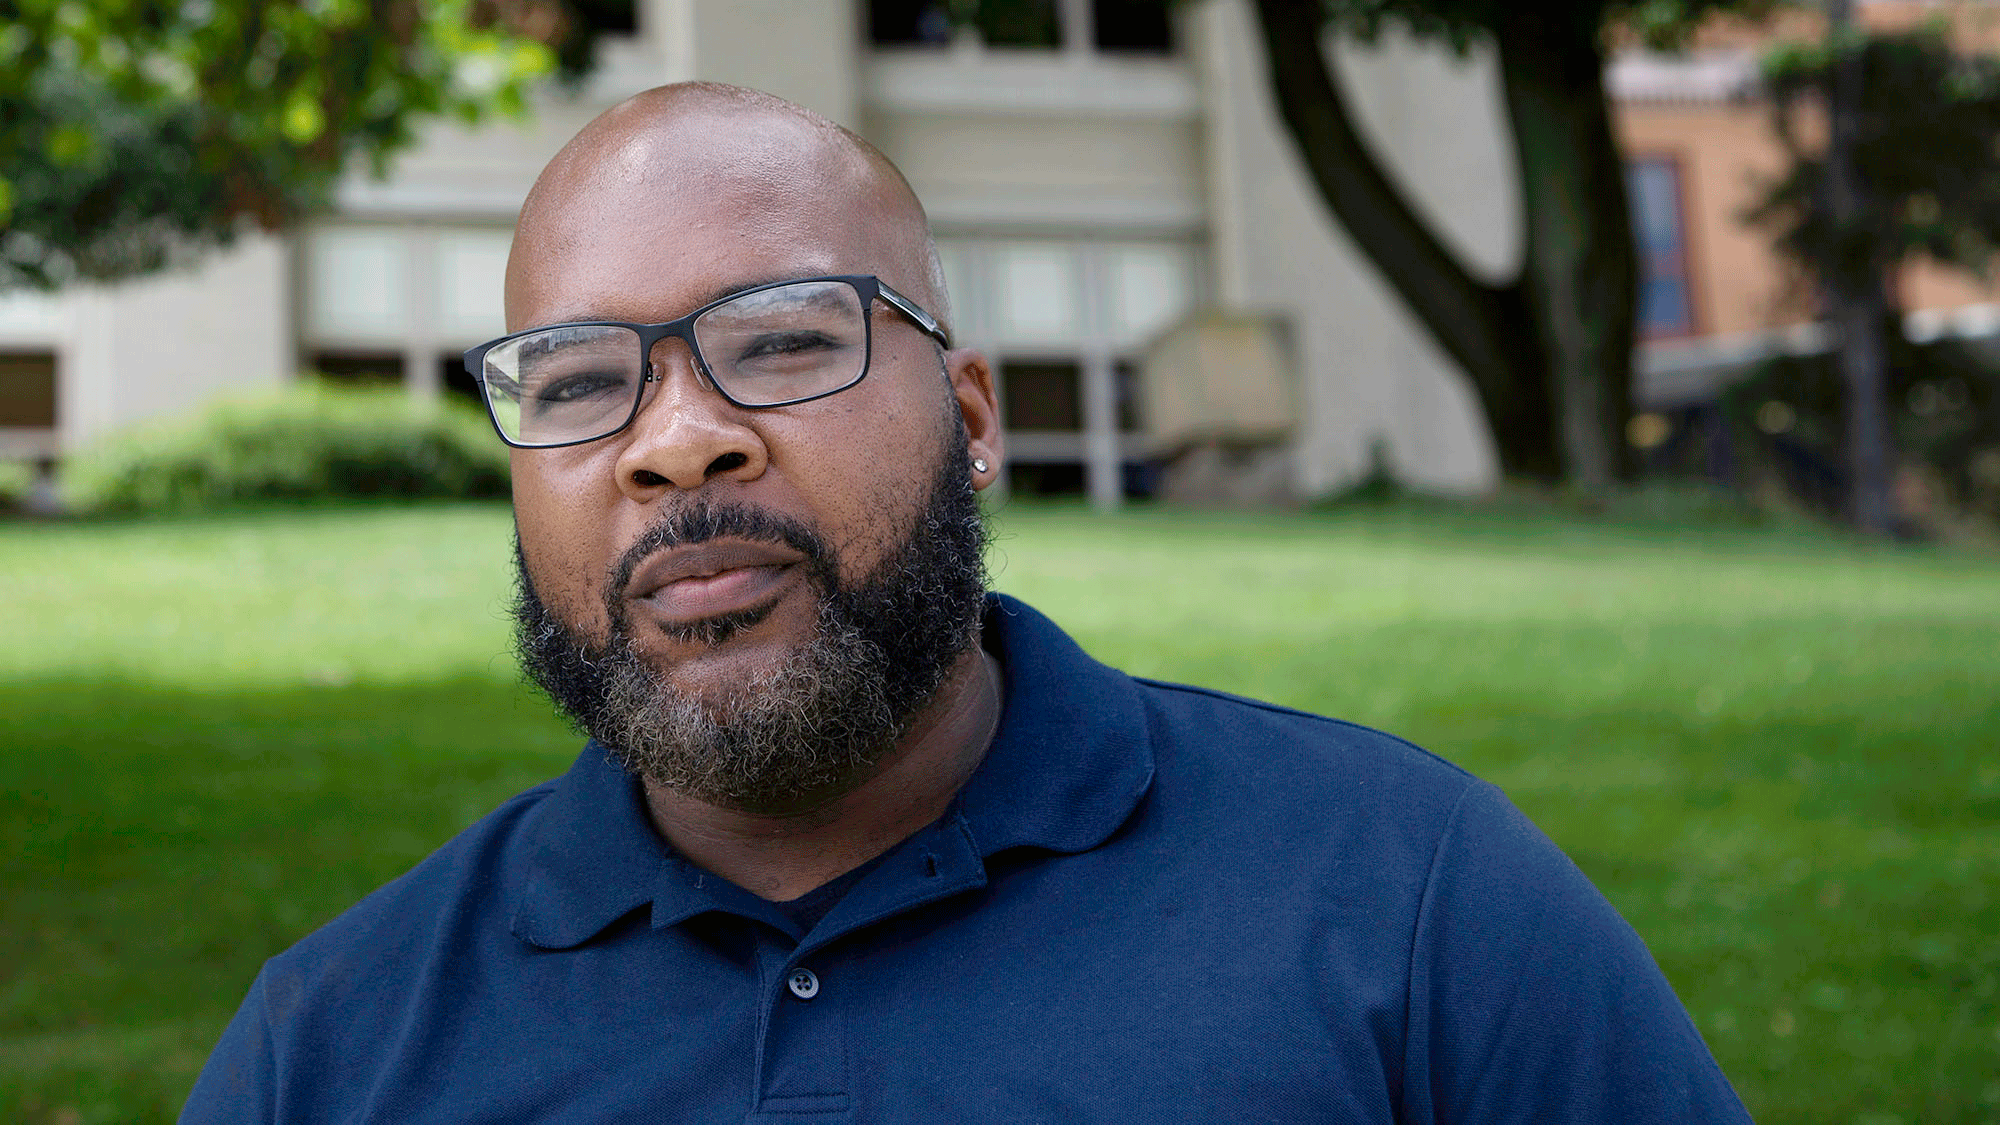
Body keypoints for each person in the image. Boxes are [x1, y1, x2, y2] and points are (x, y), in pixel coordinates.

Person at [182, 82, 1751, 1123]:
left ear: (975, 418)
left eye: (784, 341)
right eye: (581, 382)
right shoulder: (331, 1049)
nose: (676, 440)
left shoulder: (1408, 900)